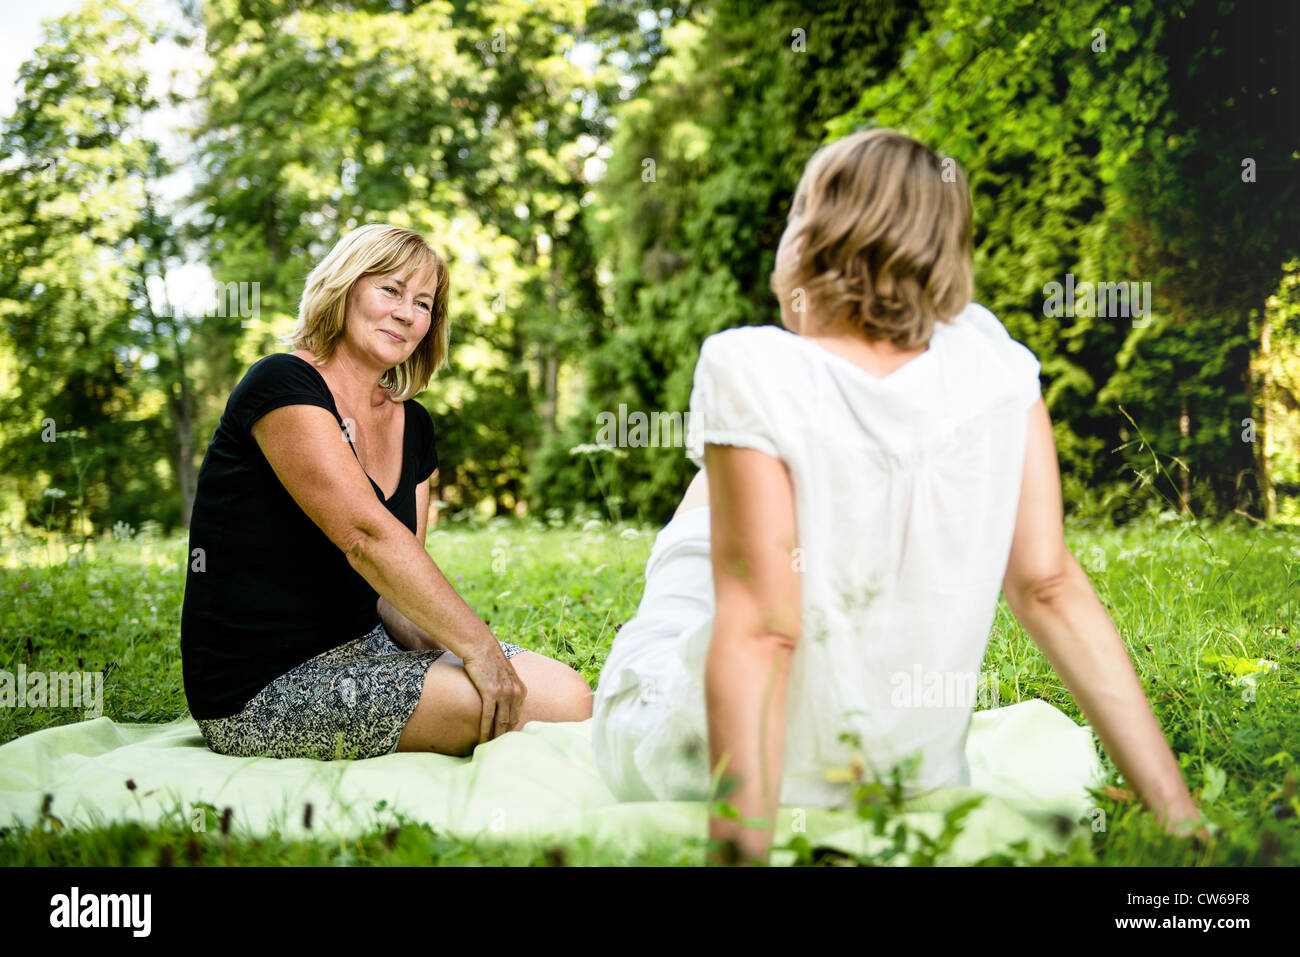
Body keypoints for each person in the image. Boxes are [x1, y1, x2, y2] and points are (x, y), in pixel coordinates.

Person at [590, 129, 1208, 865]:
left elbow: (761, 630)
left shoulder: (749, 365)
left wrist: (741, 854)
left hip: (689, 755)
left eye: (793, 214)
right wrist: (1178, 814)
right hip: (908, 775)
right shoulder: (1001, 370)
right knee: (768, 492)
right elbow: (1047, 582)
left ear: (818, 236)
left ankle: (710, 515)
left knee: (688, 552)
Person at [181, 223, 591, 762]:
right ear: (344, 288)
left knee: (569, 696)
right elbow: (365, 537)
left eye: (423, 303)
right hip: (262, 688)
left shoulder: (414, 426)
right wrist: (479, 652)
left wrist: (451, 652)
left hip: (368, 650)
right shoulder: (280, 385)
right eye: (391, 290)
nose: (407, 313)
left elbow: (396, 590)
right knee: (498, 702)